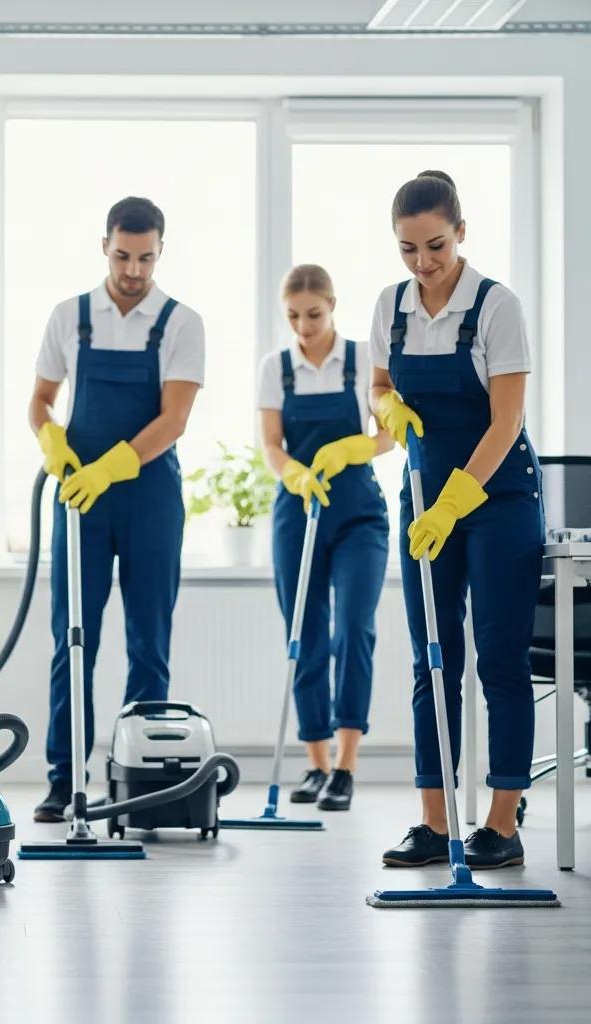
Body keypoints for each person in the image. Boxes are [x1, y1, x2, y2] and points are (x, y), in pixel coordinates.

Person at [370, 170, 542, 869]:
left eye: (435, 245)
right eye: (408, 249)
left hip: (498, 501)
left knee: (500, 660)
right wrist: (387, 410)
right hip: (422, 502)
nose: (423, 263)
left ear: (461, 232)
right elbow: (379, 386)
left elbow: (507, 422)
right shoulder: (391, 305)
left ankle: (501, 823)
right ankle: (436, 825)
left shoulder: (497, 306)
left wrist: (454, 500)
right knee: (433, 660)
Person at [28, 196, 205, 822]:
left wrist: (113, 467)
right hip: (80, 499)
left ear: (162, 251)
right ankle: (63, 779)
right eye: (124, 255)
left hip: (150, 496)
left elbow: (174, 419)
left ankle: (142, 783)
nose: (134, 269)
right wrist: (52, 439)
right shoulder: (70, 316)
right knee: (72, 640)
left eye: (146, 257)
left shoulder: (181, 322)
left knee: (148, 640)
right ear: (104, 245)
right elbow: (41, 401)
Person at [258, 265, 392, 812]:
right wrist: (293, 472)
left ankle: (346, 765)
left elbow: (387, 437)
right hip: (299, 512)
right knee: (305, 634)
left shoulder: (363, 361)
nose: (304, 327)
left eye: (314, 314)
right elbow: (271, 445)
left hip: (360, 513)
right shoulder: (277, 368)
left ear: (333, 305)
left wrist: (350, 450)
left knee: (353, 630)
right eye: (293, 316)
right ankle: (316, 763)